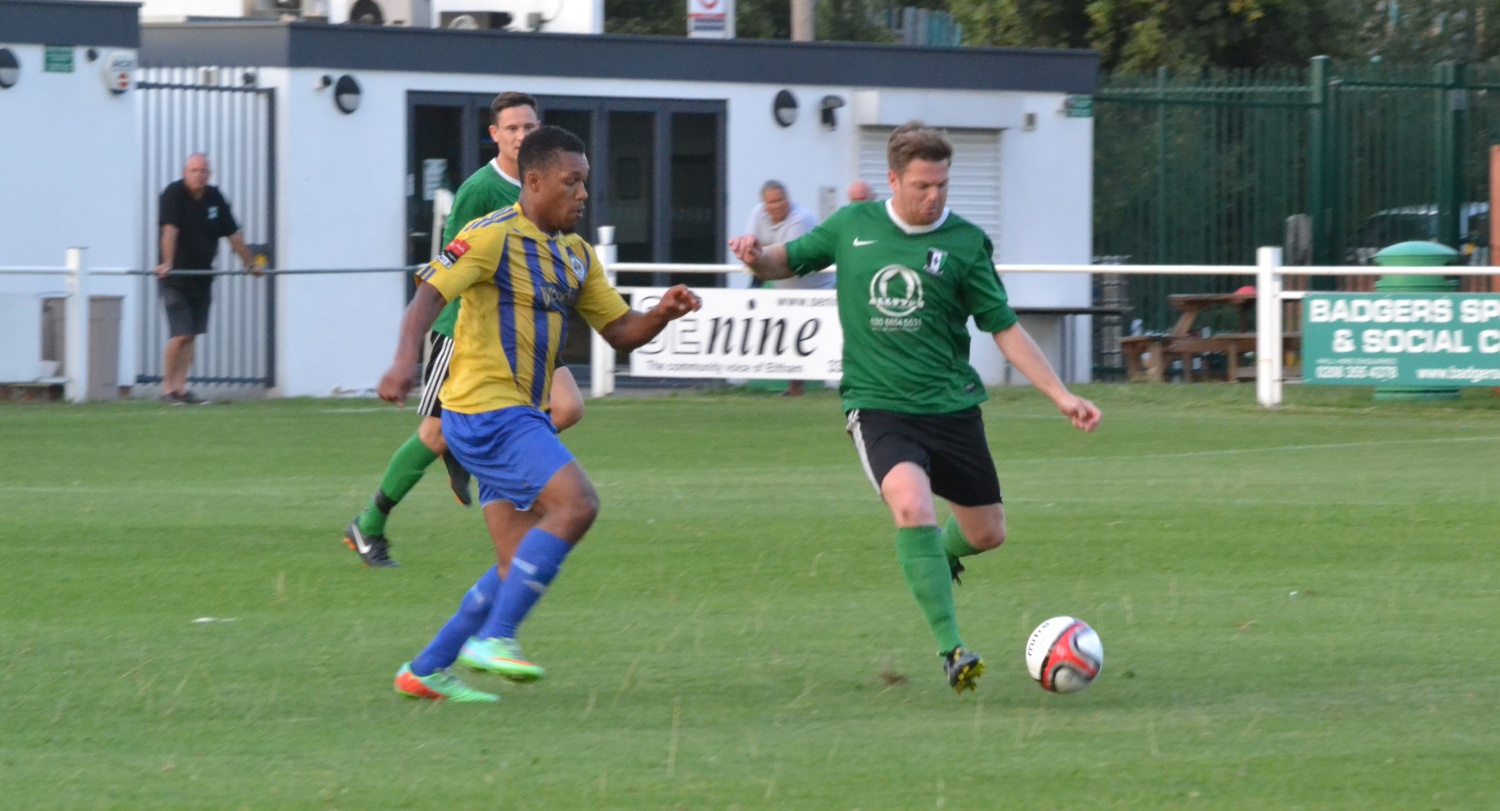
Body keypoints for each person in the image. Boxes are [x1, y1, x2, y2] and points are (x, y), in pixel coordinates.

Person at [729, 121, 1101, 695]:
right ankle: (953, 650)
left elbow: (1003, 327)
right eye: (923, 185)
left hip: (951, 407)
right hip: (879, 405)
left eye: (942, 185)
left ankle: (939, 558)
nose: (934, 197)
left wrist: (1062, 395)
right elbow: (785, 260)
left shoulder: (966, 243)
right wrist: (756, 257)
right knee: (911, 504)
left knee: (987, 533)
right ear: (894, 180)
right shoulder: (853, 225)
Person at [380, 125, 701, 702]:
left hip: (516, 414)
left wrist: (661, 313)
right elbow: (429, 293)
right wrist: (405, 361)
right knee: (577, 504)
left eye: (585, 182)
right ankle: (496, 638)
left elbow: (620, 331)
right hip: (487, 411)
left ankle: (425, 669)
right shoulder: (490, 236)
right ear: (533, 181)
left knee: (515, 564)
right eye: (570, 182)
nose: (583, 194)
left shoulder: (577, 255)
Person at [342, 92, 586, 568]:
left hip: (525, 330)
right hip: (466, 332)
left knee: (569, 407)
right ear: (495, 135)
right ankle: (369, 523)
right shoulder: (480, 190)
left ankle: (480, 453)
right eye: (512, 128)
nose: (521, 135)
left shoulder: (551, 182)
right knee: (435, 434)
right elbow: (446, 271)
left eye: (529, 127)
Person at [155, 153, 262, 405]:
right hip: (176, 277)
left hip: (202, 277)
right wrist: (167, 262)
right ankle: (167, 388)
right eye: (194, 170)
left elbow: (234, 235)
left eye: (203, 170)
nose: (199, 175)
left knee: (192, 334)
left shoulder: (215, 198)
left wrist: (250, 264)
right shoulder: (173, 194)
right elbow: (170, 231)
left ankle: (181, 388)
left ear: (209, 174)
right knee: (180, 334)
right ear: (185, 173)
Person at [747, 180, 827, 396]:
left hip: (818, 290)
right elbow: (751, 250)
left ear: (788, 199)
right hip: (785, 289)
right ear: (764, 205)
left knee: (822, 340)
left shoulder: (802, 218)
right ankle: (795, 389)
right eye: (772, 202)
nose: (777, 205)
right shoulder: (757, 214)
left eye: (781, 199)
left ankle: (831, 385)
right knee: (790, 336)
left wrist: (762, 252)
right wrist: (761, 254)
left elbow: (786, 259)